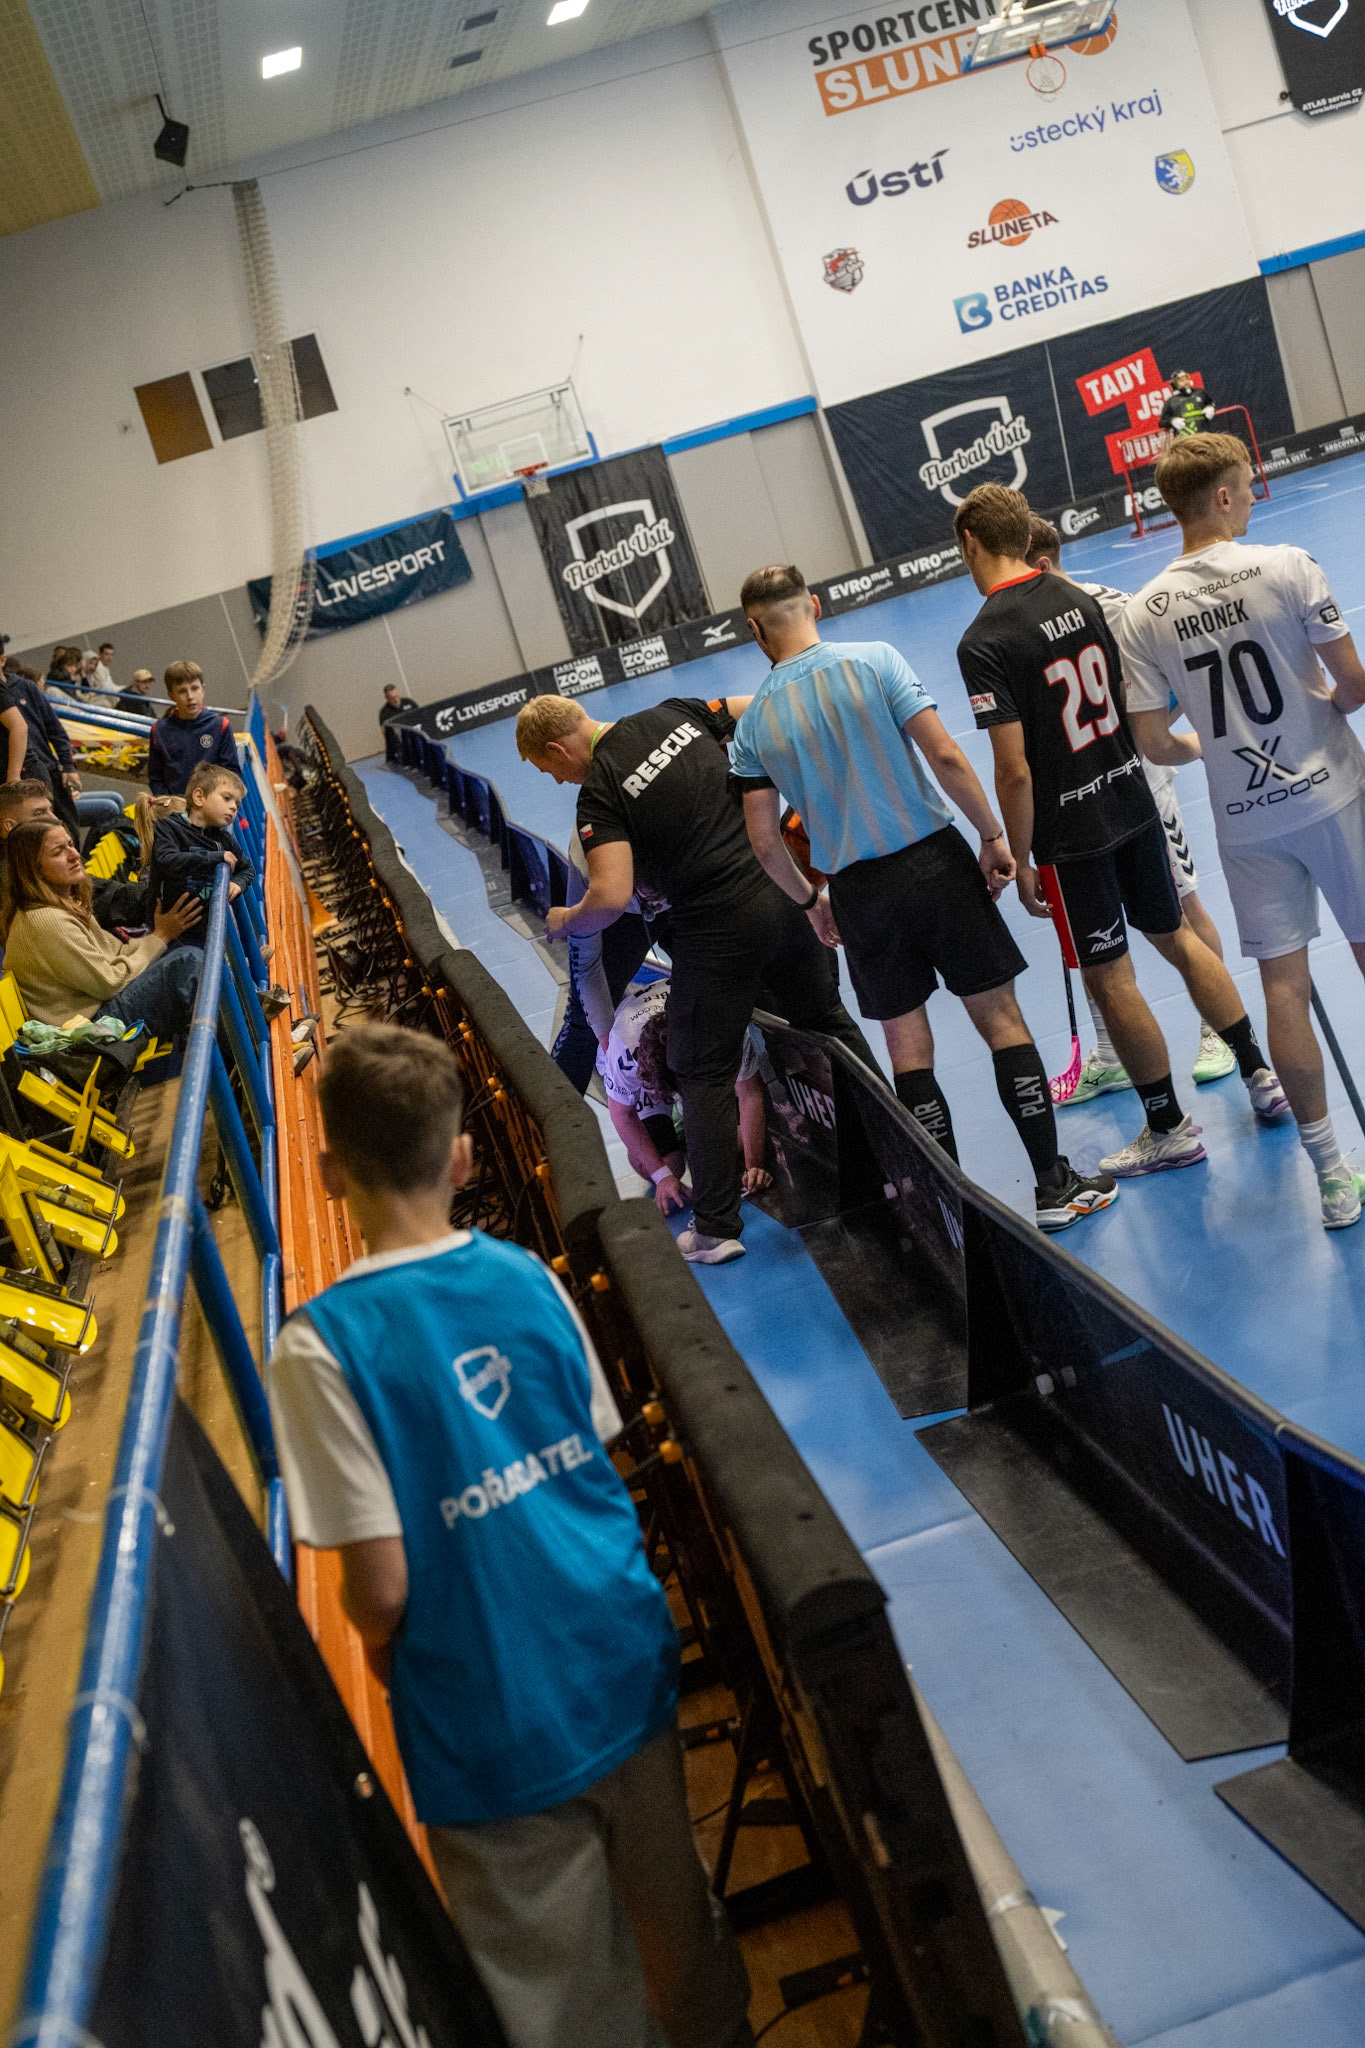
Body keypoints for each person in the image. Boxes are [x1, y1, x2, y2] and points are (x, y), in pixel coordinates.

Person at [265, 1023, 752, 2048]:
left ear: (331, 1169)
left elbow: (381, 1590)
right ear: (460, 1157)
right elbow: (590, 1453)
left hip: (484, 1712)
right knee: (680, 1927)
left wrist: (384, 1640)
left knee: (561, 1995)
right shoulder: (529, 1278)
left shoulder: (317, 1349)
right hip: (615, 1654)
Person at [731, 564, 1115, 1232]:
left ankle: (951, 1219)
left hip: (856, 891)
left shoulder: (753, 723)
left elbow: (764, 842)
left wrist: (812, 903)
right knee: (1001, 1021)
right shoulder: (874, 661)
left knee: (907, 1050)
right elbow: (945, 757)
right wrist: (992, 836)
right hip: (935, 865)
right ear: (814, 604)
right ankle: (1053, 1186)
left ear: (754, 628)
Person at [954, 482, 1285, 1182]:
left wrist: (1021, 857)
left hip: (1072, 831)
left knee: (1111, 978)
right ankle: (1260, 1072)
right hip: (1132, 798)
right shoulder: (1075, 597)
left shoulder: (983, 640)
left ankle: (1168, 1127)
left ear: (970, 542)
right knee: (1178, 937)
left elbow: (1013, 770)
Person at [517, 693, 872, 1265]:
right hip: (780, 892)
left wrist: (565, 918)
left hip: (715, 927)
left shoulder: (598, 794)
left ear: (557, 748)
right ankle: (894, 1156)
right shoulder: (676, 713)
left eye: (547, 769)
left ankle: (714, 1228)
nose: (557, 780)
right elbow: (764, 705)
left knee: (699, 1066)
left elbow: (609, 897)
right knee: (828, 1022)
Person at [1119, 432, 1365, 1229]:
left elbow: (1153, 742)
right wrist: (1326, 706)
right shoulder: (1287, 565)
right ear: (1221, 495)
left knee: (1281, 989)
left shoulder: (1142, 613)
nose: (1254, 495)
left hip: (1244, 820)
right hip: (1333, 794)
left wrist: (1212, 749)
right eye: (1245, 485)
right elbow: (1352, 684)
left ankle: (1331, 1179)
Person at [1023, 514, 1239, 1099]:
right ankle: (1111, 1054)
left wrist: (1143, 738)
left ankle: (1218, 1032)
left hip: (1139, 784)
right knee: (1091, 937)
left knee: (1181, 907)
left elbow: (1172, 684)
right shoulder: (1022, 622)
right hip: (1075, 799)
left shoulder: (1113, 607)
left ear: (1040, 564)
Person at [0, 820, 202, 1037]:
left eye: (70, 844)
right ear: (34, 868)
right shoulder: (47, 920)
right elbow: (110, 983)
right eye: (59, 852)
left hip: (99, 1008)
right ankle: (227, 1046)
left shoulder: (64, 903)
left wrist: (159, 937)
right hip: (87, 1027)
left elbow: (117, 952)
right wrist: (160, 937)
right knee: (187, 961)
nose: (74, 855)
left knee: (181, 952)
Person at [600, 977, 771, 1215]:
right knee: (666, 1167)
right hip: (649, 1069)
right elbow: (622, 1114)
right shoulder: (624, 1049)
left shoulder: (724, 1025)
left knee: (732, 1144)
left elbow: (750, 1094)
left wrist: (754, 1165)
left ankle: (692, 1132)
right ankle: (681, 1133)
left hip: (700, 1048)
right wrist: (661, 1175)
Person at [551, 827, 666, 1095]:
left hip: (689, 879)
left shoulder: (702, 838)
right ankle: (557, 1114)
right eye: (648, 899)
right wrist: (611, 1052)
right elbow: (586, 967)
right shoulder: (588, 865)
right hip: (617, 903)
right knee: (583, 1021)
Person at [149, 763, 255, 942]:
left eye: (237, 804)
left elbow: (247, 869)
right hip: (171, 934)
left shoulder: (223, 839)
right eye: (227, 798)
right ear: (199, 797)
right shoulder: (169, 827)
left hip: (206, 932)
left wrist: (238, 883)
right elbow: (168, 860)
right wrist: (216, 857)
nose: (234, 807)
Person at [148, 661, 239, 796]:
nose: (190, 697)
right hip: (175, 806)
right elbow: (156, 778)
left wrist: (213, 801)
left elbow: (232, 774)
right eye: (182, 691)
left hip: (211, 804)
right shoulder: (159, 730)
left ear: (203, 690)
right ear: (171, 696)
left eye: (195, 688)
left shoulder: (220, 726)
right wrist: (168, 803)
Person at [1159, 371, 1215, 438]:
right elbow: (1162, 422)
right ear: (1174, 385)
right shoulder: (1171, 401)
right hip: (1185, 439)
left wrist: (1210, 407)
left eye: (1186, 379)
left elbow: (1210, 403)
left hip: (1205, 435)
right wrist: (1172, 421)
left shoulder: (1200, 392)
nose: (1186, 382)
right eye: (1181, 381)